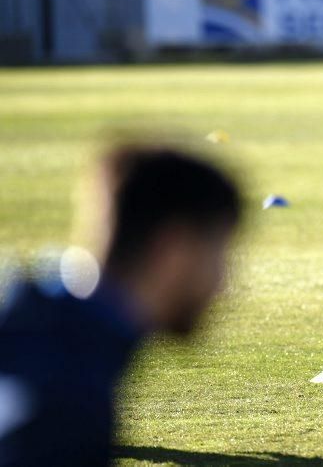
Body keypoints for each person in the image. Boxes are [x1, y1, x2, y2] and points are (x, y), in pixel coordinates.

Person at [0, 144, 242, 467]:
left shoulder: (40, 323)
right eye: (219, 253)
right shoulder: (71, 397)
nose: (224, 284)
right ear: (174, 249)